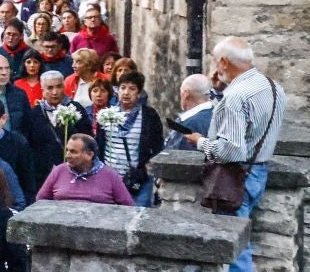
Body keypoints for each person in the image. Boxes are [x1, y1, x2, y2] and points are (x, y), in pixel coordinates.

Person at [193, 37, 285, 272]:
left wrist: (201, 142)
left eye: (215, 61)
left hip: (238, 175)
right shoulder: (270, 86)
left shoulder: (236, 97)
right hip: (259, 169)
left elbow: (230, 149)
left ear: (223, 63)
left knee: (236, 250)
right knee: (242, 246)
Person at [98, 70, 165, 205]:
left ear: (139, 93)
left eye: (132, 89)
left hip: (137, 178)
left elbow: (157, 146)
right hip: (108, 178)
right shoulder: (107, 114)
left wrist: (149, 170)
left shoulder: (149, 115)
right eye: (122, 88)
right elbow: (99, 143)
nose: (126, 92)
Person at [36, 132, 136, 205]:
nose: (67, 155)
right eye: (67, 150)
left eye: (73, 152)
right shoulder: (58, 171)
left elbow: (128, 207)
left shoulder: (110, 175)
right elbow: (40, 202)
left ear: (89, 155)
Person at [169, 73, 217, 151]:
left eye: (181, 92)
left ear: (185, 94)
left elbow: (178, 158)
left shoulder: (188, 124)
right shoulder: (218, 116)